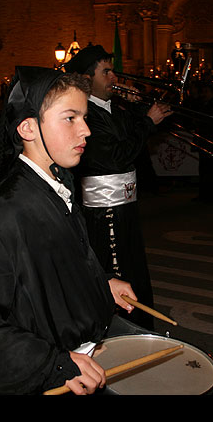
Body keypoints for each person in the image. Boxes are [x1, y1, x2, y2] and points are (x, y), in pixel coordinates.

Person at [0, 67, 143, 395]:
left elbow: (53, 270)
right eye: (71, 117)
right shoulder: (2, 213)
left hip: (84, 349)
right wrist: (53, 365)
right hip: (56, 372)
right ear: (29, 128)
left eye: (85, 117)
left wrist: (101, 284)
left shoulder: (60, 183)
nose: (86, 130)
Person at [64, 45, 172, 331]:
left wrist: (148, 111)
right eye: (107, 72)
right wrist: (148, 122)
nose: (114, 77)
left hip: (126, 206)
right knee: (114, 270)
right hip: (103, 211)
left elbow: (142, 129)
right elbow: (115, 156)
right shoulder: (85, 116)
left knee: (134, 267)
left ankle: (140, 326)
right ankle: (119, 330)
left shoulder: (114, 108)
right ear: (87, 80)